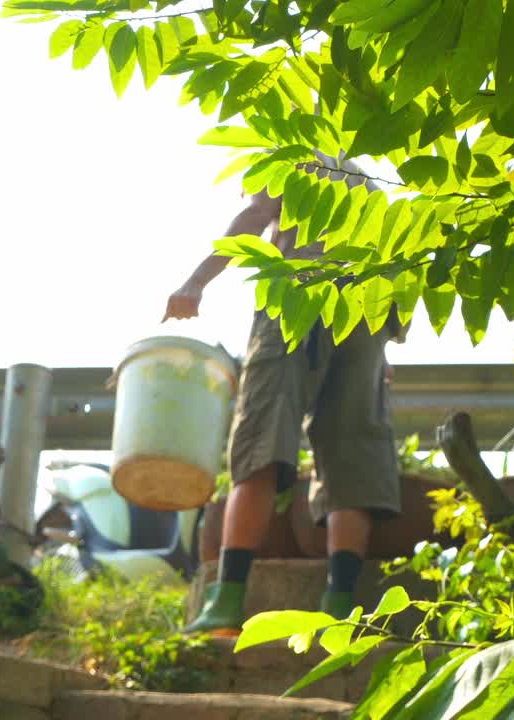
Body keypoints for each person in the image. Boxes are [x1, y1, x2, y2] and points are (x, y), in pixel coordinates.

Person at [164, 153, 402, 636]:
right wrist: (378, 349)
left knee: (262, 444)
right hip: (367, 316)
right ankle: (338, 609)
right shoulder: (369, 182)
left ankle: (227, 602)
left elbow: (254, 218)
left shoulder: (291, 156)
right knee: (349, 458)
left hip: (299, 300)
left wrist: (195, 282)